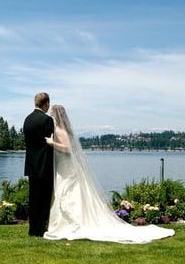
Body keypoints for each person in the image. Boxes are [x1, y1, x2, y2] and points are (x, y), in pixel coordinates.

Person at [43, 105, 175, 243]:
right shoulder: (66, 130)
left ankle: (72, 223)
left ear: (56, 116)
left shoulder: (59, 130)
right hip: (66, 166)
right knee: (70, 192)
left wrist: (51, 143)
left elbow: (67, 148)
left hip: (66, 167)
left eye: (52, 114)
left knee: (67, 193)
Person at [23, 92, 54, 237]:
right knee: (44, 199)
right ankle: (40, 229)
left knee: (33, 198)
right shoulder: (47, 120)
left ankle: (32, 228)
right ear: (46, 104)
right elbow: (50, 143)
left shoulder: (27, 120)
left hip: (30, 165)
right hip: (44, 165)